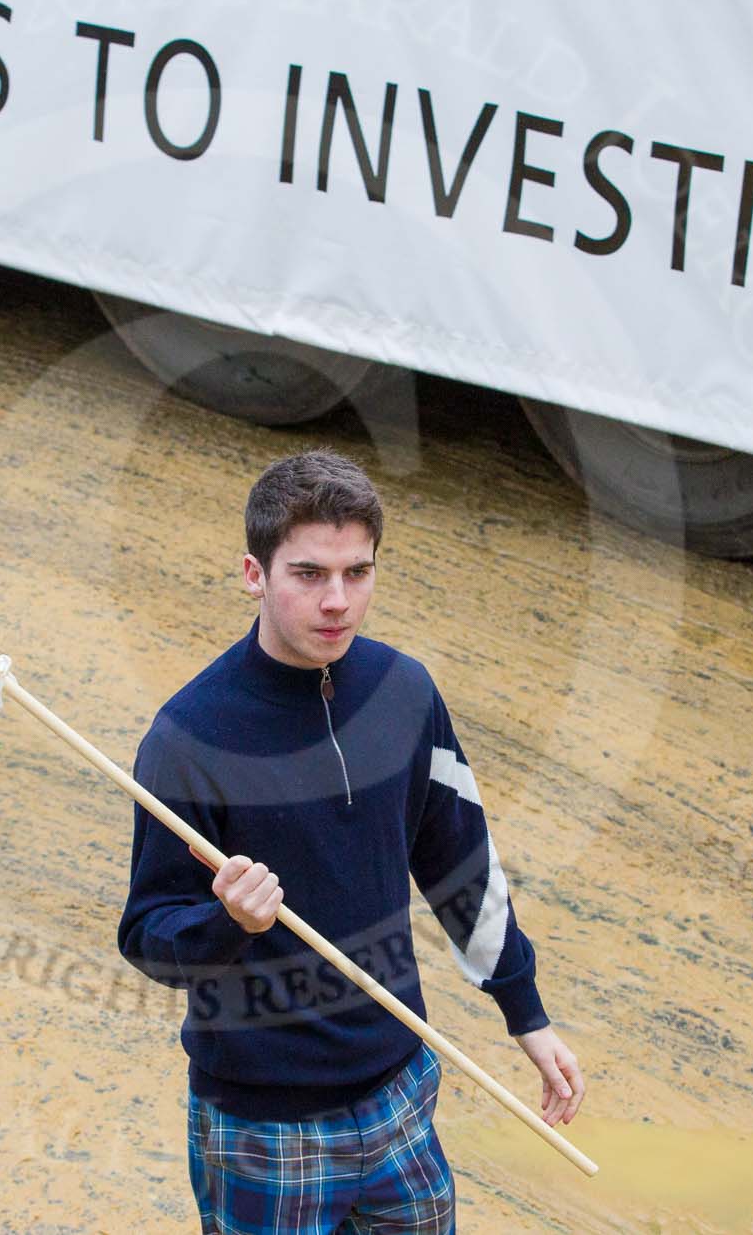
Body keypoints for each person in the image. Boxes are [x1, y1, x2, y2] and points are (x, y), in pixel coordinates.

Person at [117, 449, 584, 1235]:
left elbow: (459, 861)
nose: (337, 601)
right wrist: (228, 921)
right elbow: (147, 935)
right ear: (253, 573)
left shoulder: (405, 691)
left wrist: (525, 1013)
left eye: (357, 572)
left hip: (402, 1090)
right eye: (307, 574)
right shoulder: (189, 737)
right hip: (266, 1127)